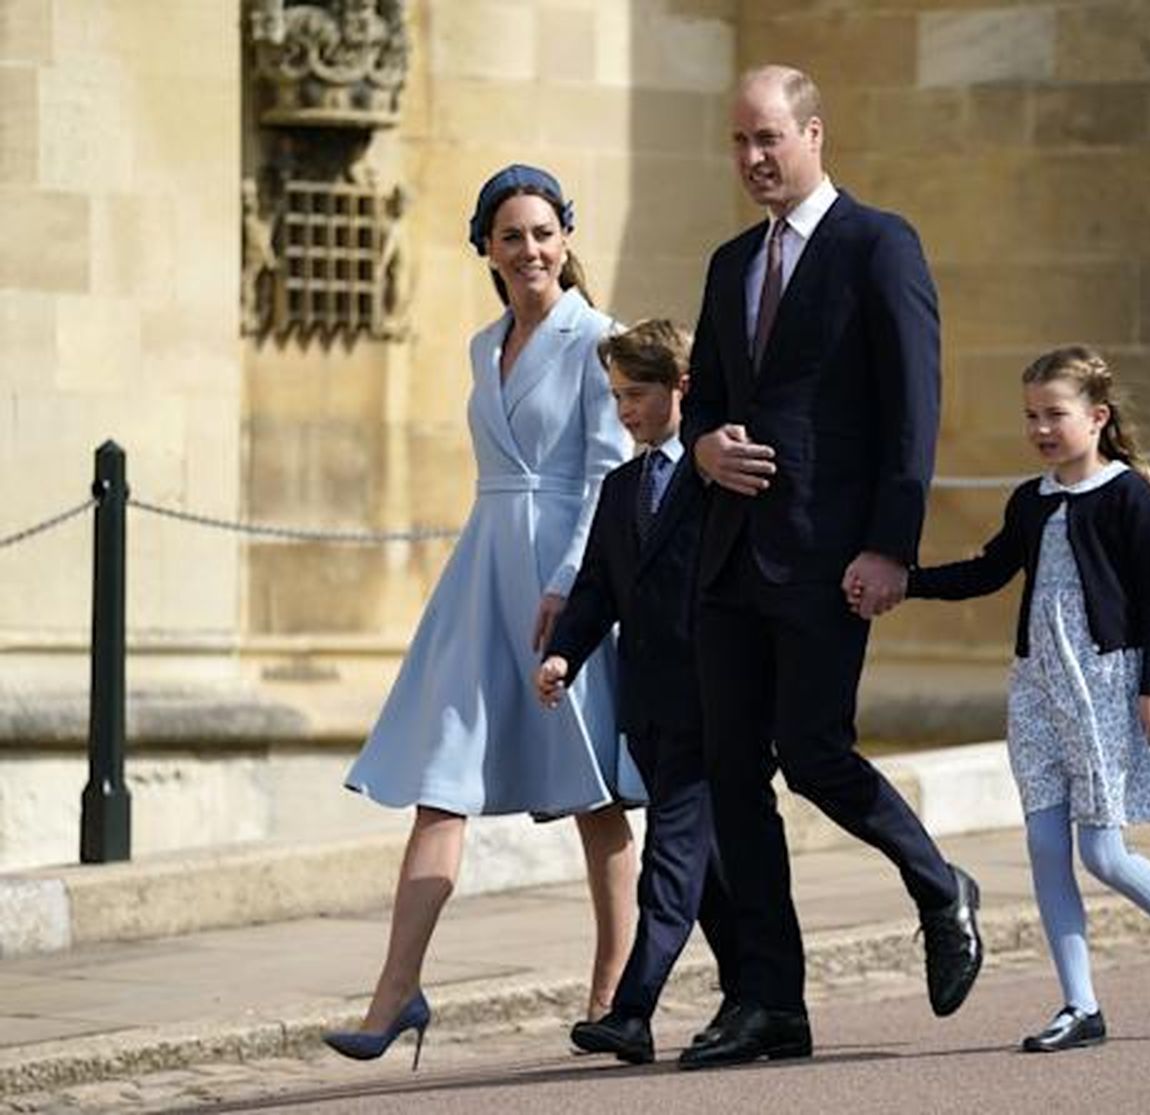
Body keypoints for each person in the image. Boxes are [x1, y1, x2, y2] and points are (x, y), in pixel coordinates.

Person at [674, 64, 982, 1071]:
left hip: (825, 555)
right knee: (730, 779)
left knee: (812, 752)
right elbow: (702, 400)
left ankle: (940, 884)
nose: (753, 158)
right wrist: (704, 446)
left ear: (814, 134)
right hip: (728, 556)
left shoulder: (875, 244)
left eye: (769, 138)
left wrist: (891, 543)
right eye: (739, 142)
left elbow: (913, 402)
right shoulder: (728, 264)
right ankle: (768, 1002)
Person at [323, 164, 644, 1069]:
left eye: (544, 232)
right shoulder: (479, 344)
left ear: (567, 240)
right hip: (483, 570)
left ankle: (611, 996)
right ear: (487, 250)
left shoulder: (599, 340)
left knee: (593, 790)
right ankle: (394, 995)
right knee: (442, 775)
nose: (531, 249)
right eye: (512, 235)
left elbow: (605, 471)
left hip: (565, 578)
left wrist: (575, 584)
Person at [904, 345, 1150, 1052]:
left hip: (1106, 684)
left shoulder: (1128, 494)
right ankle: (1080, 1004)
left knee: (1104, 854)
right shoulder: (1031, 499)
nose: (1042, 428)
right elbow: (987, 571)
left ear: (1097, 417)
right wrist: (907, 581)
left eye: (1056, 413)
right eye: (1031, 416)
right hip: (1037, 689)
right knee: (1046, 846)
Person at [535, 318, 741, 1065]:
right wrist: (564, 656)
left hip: (713, 697)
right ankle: (760, 996)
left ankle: (631, 1010)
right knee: (710, 869)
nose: (623, 410)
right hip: (645, 705)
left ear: (682, 388)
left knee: (673, 856)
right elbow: (596, 591)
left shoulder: (720, 472)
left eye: (637, 394)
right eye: (616, 396)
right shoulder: (622, 486)